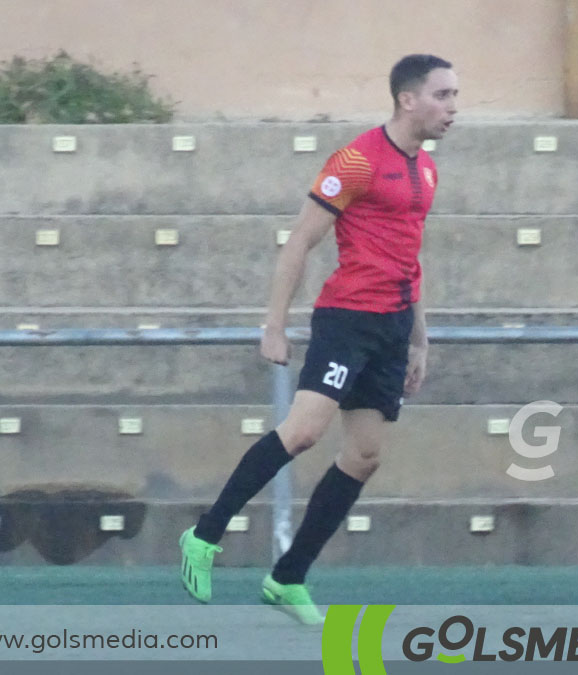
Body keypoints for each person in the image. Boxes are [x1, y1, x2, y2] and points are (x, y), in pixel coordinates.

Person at [178, 54, 458, 624]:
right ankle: (204, 536)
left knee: (364, 455)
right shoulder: (355, 161)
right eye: (443, 96)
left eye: (455, 96)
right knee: (304, 431)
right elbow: (300, 242)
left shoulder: (426, 170)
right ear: (408, 100)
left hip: (393, 326)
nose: (454, 108)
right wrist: (274, 325)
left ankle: (288, 579)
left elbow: (411, 257)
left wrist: (420, 339)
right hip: (346, 319)